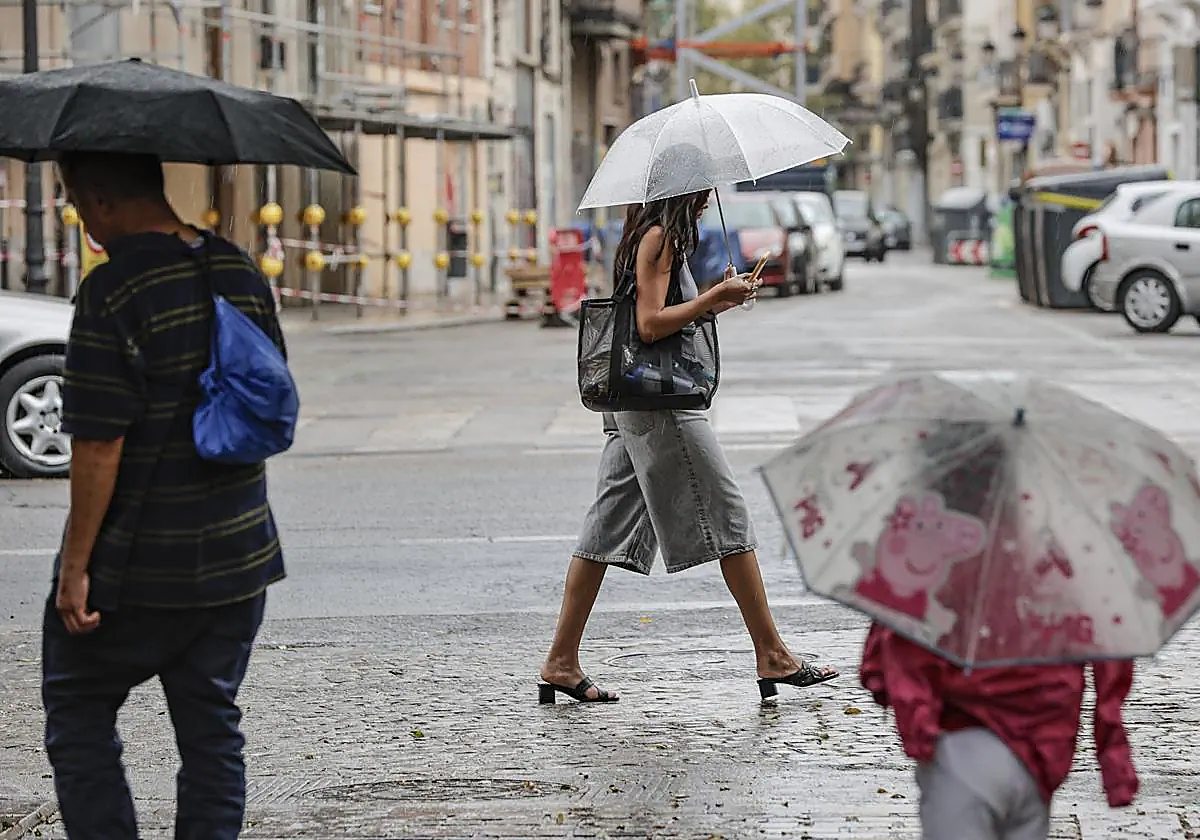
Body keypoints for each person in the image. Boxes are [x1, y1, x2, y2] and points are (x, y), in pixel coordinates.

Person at [44, 151, 287, 840]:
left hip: (138, 565)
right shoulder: (237, 270)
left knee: (78, 709)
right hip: (238, 555)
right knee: (211, 731)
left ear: (102, 199)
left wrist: (75, 567)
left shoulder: (113, 289)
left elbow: (98, 444)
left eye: (79, 205)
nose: (84, 222)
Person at [539, 189, 839, 703]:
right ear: (683, 191)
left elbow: (662, 316)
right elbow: (649, 324)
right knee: (728, 516)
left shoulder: (651, 236)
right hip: (661, 406)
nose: (707, 201)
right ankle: (772, 653)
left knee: (606, 526)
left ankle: (560, 661)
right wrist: (710, 298)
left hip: (635, 402)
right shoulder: (659, 238)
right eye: (702, 191)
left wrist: (716, 301)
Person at [861, 624, 1138, 839]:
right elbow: (1112, 658)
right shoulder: (1075, 578)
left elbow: (898, 639)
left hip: (963, 744)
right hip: (1043, 755)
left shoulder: (946, 569)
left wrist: (918, 731)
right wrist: (1116, 765)